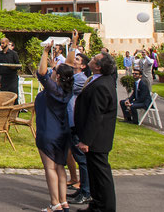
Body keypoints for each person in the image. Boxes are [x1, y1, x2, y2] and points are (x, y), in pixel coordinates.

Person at [73, 52, 117, 212]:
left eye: (93, 59)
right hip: (95, 139)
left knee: (101, 176)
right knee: (94, 174)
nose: (90, 59)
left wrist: (86, 140)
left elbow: (95, 115)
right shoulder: (98, 80)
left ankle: (106, 207)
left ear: (98, 66)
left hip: (97, 140)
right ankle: (97, 204)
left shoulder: (102, 85)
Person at [34, 41, 75, 212]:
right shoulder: (66, 90)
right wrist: (73, 45)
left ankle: (54, 203)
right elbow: (70, 66)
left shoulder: (52, 90)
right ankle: (63, 201)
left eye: (55, 70)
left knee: (50, 167)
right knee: (60, 166)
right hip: (62, 132)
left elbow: (41, 73)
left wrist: (45, 51)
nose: (52, 70)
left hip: (48, 131)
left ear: (57, 76)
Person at [67, 40, 91, 206]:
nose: (74, 61)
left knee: (82, 159)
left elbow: (64, 88)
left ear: (83, 66)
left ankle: (87, 191)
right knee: (76, 157)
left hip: (75, 120)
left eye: (77, 60)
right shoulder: (75, 76)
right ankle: (82, 188)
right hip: (70, 120)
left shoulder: (80, 79)